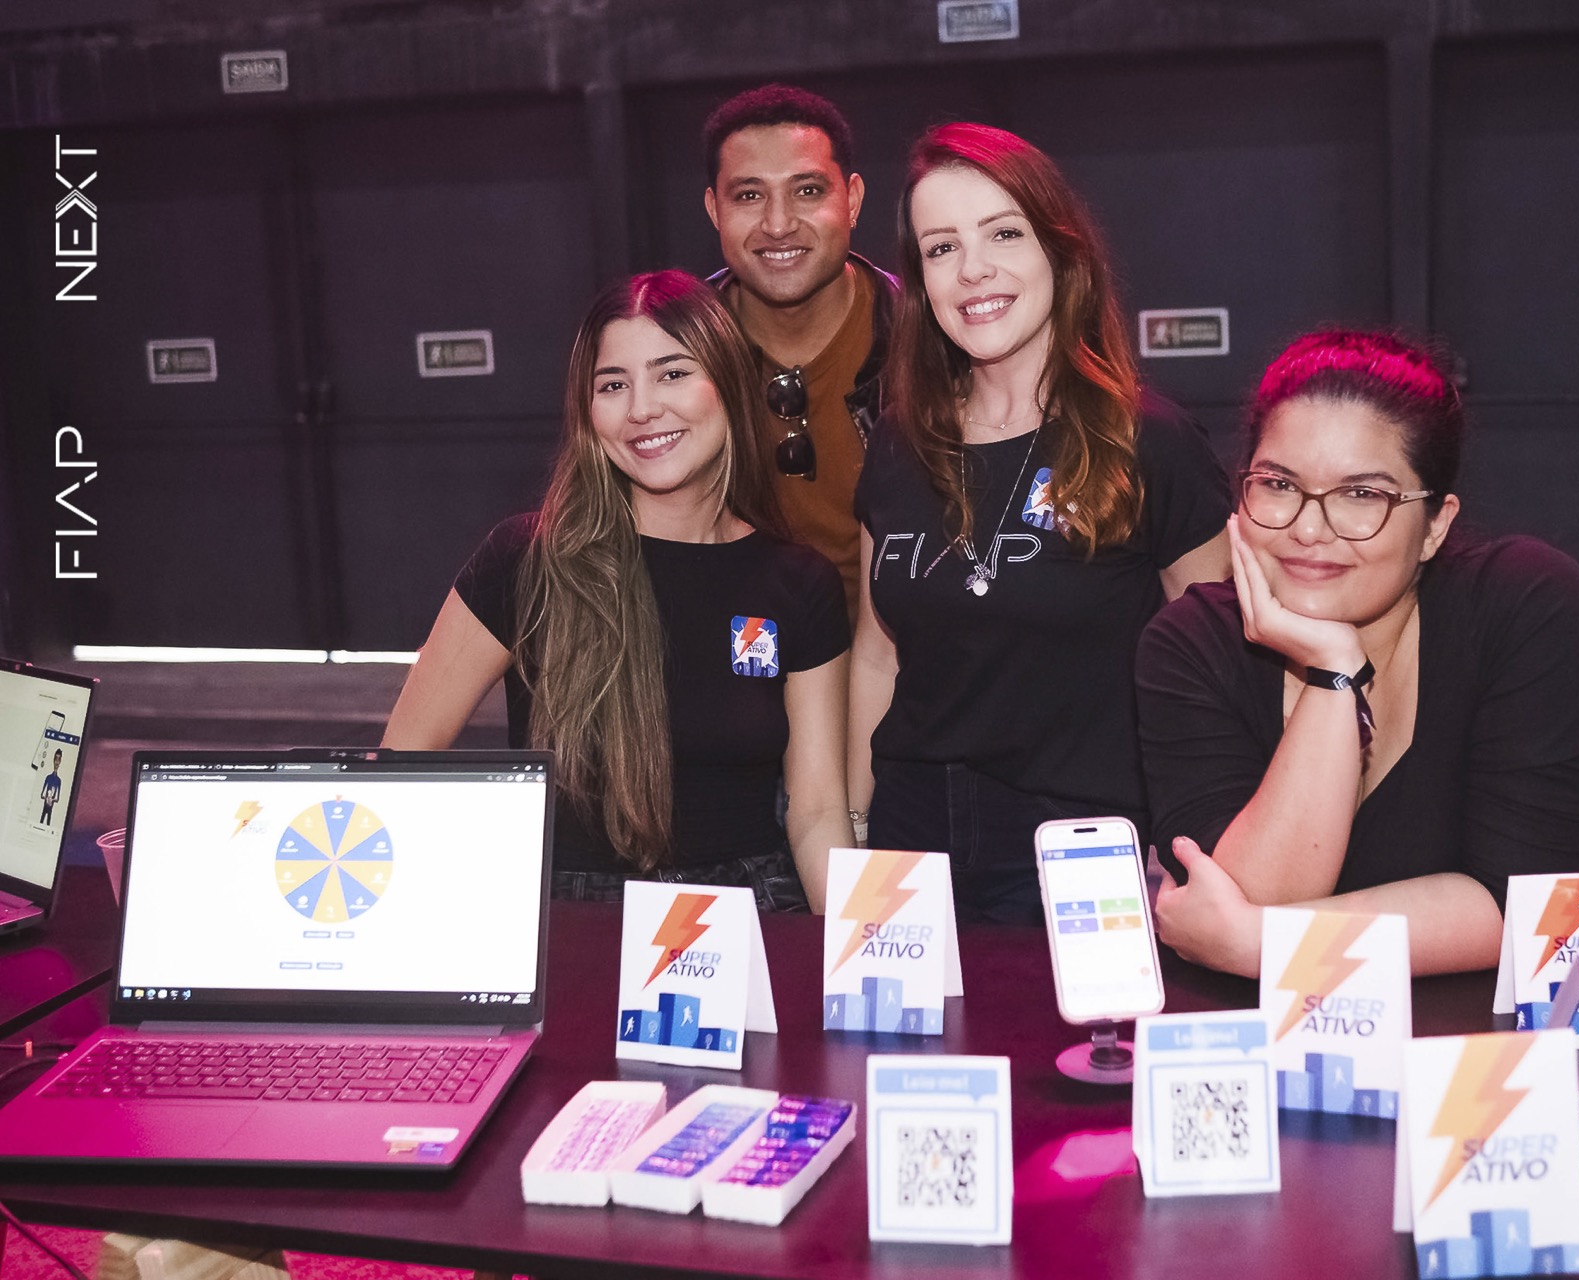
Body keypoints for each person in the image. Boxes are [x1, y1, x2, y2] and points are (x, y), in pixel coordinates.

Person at [1137, 330, 1579, 977]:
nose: (1309, 528)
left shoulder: (1526, 607)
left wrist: (1262, 945)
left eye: (1363, 495)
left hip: (1473, 1030)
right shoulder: (1189, 644)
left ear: (1436, 525)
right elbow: (1255, 893)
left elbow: (1529, 908)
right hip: (1259, 1029)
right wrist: (1334, 670)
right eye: (1278, 484)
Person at [850, 122, 1232, 926]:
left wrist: (1195, 838)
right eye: (942, 248)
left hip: (1080, 842)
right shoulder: (896, 440)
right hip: (909, 840)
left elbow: (1220, 669)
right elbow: (878, 656)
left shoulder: (1150, 442)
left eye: (1003, 233)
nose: (973, 269)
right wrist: (854, 825)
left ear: (1060, 251)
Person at [384, 271, 853, 909]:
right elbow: (404, 761)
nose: (641, 409)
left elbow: (818, 810)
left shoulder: (798, 582)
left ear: (729, 383)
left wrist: (850, 947)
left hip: (747, 916)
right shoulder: (526, 561)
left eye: (673, 373)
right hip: (575, 918)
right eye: (612, 385)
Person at [703, 84, 901, 618]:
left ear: (852, 200)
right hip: (733, 654)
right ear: (714, 209)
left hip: (914, 654)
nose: (778, 224)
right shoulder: (677, 352)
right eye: (749, 196)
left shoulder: (931, 342)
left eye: (807, 191)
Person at [39, 749, 62, 826]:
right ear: (53, 760)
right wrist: (45, 797)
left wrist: (53, 799)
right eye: (56, 759)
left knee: (48, 821)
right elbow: (42, 793)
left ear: (60, 761)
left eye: (59, 759)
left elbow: (57, 798)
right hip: (46, 802)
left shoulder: (58, 781)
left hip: (51, 804)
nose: (57, 762)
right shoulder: (48, 777)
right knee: (42, 819)